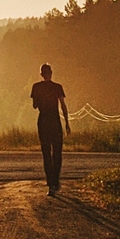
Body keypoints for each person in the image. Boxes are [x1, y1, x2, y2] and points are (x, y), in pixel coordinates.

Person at [29, 64, 70, 196]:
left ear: (41, 74)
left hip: (43, 121)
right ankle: (56, 181)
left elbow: (35, 106)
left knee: (46, 153)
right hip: (55, 121)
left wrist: (41, 101)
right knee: (57, 152)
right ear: (51, 73)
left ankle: (50, 181)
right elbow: (63, 106)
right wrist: (67, 123)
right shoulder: (57, 87)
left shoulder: (36, 87)